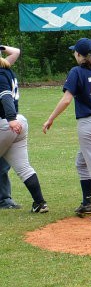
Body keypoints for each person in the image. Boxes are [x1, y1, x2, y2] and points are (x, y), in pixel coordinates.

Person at [43, 36, 91, 220]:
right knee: (82, 162)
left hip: (89, 125)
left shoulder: (77, 71)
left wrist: (50, 119)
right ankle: (86, 203)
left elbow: (67, 99)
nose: (74, 54)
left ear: (79, 55)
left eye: (75, 51)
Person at [0, 43, 48, 213]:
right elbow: (17, 51)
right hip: (19, 123)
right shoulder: (5, 67)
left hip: (7, 123)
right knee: (24, 168)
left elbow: (5, 97)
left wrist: (11, 119)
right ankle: (40, 203)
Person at [0, 43, 22, 209]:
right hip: (8, 122)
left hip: (4, 121)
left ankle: (4, 199)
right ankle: (5, 199)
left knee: (3, 163)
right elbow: (16, 51)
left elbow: (17, 51)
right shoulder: (5, 68)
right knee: (3, 163)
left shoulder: (2, 70)